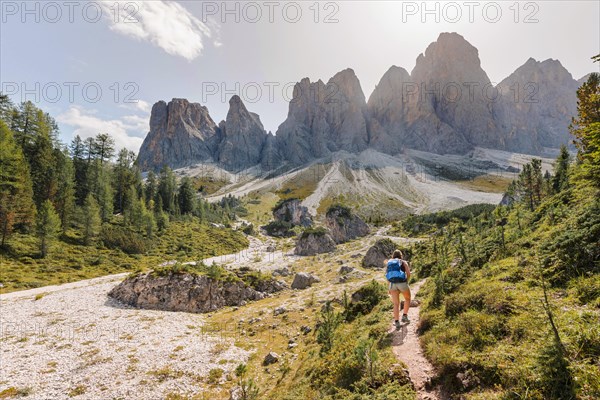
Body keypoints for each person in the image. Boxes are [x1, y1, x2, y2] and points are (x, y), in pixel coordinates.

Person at [385, 249, 411, 328]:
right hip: (402, 283)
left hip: (392, 284)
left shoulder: (389, 263)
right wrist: (406, 281)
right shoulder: (403, 262)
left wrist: (389, 287)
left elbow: (387, 276)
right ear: (401, 256)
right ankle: (404, 316)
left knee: (396, 304)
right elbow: (408, 273)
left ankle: (396, 322)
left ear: (393, 256)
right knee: (407, 299)